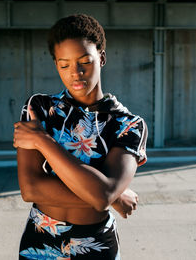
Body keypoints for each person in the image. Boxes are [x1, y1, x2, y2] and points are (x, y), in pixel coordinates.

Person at [13, 14, 148, 260]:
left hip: (96, 245)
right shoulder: (40, 108)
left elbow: (101, 195)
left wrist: (43, 141)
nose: (75, 73)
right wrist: (112, 197)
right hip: (40, 242)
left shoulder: (128, 124)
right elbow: (30, 188)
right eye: (64, 65)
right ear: (56, 64)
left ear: (102, 58)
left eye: (85, 61)